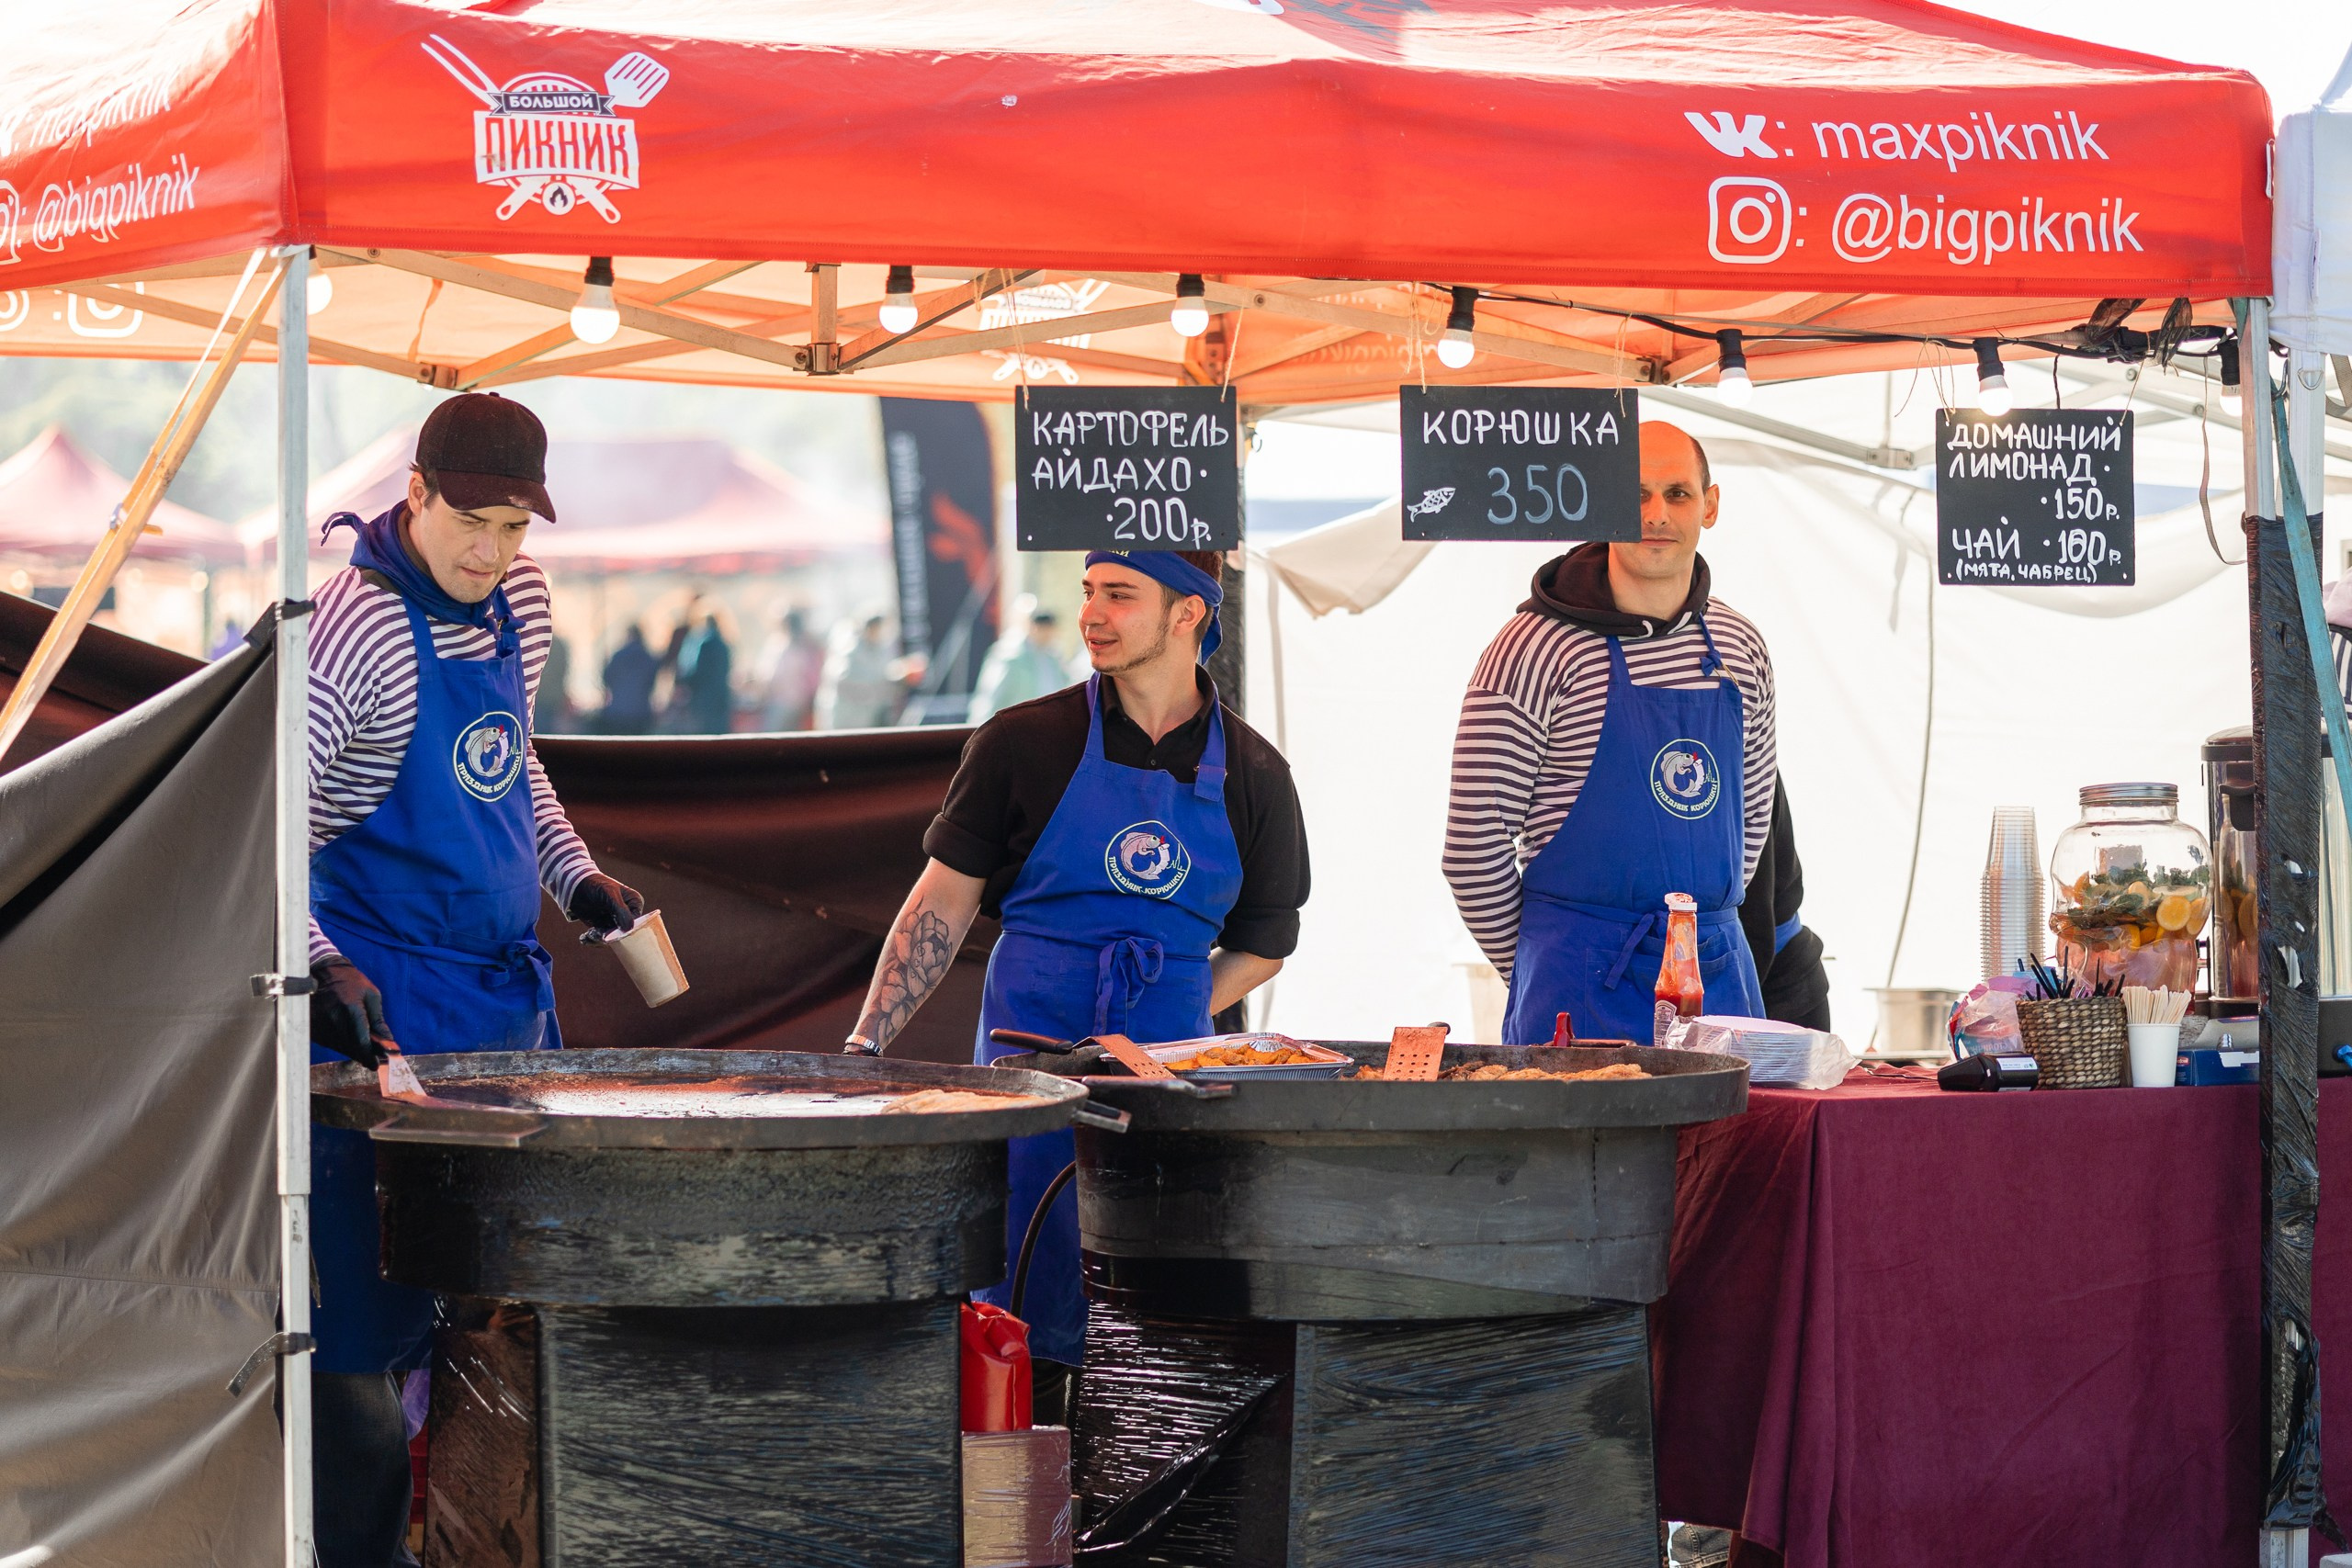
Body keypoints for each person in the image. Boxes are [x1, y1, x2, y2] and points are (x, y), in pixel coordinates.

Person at [304, 393, 644, 1568]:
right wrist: (320, 969)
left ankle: (491, 1547)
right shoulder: (349, 634)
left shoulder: (524, 605)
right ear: (417, 495)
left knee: (501, 1313)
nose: (494, 552)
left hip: (504, 1017)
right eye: (474, 522)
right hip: (377, 1023)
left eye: (515, 527)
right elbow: (251, 840)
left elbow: (516, 765)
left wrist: (578, 878)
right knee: (359, 1329)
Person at [841, 548, 1309, 1384]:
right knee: (1020, 1307)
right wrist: (863, 1048)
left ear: (1188, 613)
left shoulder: (1259, 775)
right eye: (1088, 591)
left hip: (1168, 1088)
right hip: (1028, 1070)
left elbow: (1267, 940)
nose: (1091, 613)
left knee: (1157, 1315)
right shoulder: (1022, 742)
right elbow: (939, 907)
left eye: (1119, 595)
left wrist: (1174, 1006)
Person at [1444, 421, 1775, 1044]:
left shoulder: (1740, 645)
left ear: (1710, 506)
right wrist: (1545, 962)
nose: (1656, 514)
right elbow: (1471, 850)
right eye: (1636, 493)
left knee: (1727, 1147)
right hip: (1577, 986)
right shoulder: (1533, 649)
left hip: (1717, 984)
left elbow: (1750, 829)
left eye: (1677, 493)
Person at [971, 598, 1080, 720]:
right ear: (1035, 628)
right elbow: (991, 698)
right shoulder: (1011, 657)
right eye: (1046, 630)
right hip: (1015, 726)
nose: (1050, 635)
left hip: (1047, 725)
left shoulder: (1053, 658)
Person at [818, 613, 907, 728]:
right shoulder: (849, 650)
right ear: (869, 628)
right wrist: (869, 693)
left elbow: (883, 676)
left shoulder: (881, 651)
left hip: (868, 720)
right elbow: (840, 683)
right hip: (845, 719)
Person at [752, 605, 823, 731]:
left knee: (773, 738)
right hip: (795, 701)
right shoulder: (800, 644)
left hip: (785, 702)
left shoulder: (788, 647)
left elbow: (774, 675)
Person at [673, 610, 735, 733]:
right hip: (721, 696)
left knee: (705, 736)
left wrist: (681, 680)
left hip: (705, 698)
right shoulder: (724, 645)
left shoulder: (704, 644)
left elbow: (698, 672)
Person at [598, 624, 658, 735]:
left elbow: (606, 679)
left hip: (617, 713)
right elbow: (651, 684)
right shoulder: (648, 658)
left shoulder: (618, 656)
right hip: (640, 713)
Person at [534, 631, 573, 734]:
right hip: (550, 702)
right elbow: (563, 674)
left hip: (537, 701)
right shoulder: (558, 644)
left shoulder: (530, 641)